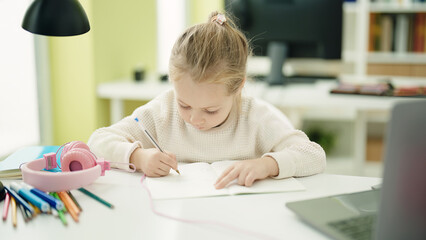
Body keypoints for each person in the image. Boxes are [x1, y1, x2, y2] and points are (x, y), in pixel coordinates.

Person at [88, 11, 326, 189]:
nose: (194, 119)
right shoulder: (163, 110)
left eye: (211, 110)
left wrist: (267, 165)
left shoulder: (255, 117)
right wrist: (137, 157)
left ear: (238, 87)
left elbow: (314, 155)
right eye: (184, 105)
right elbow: (97, 142)